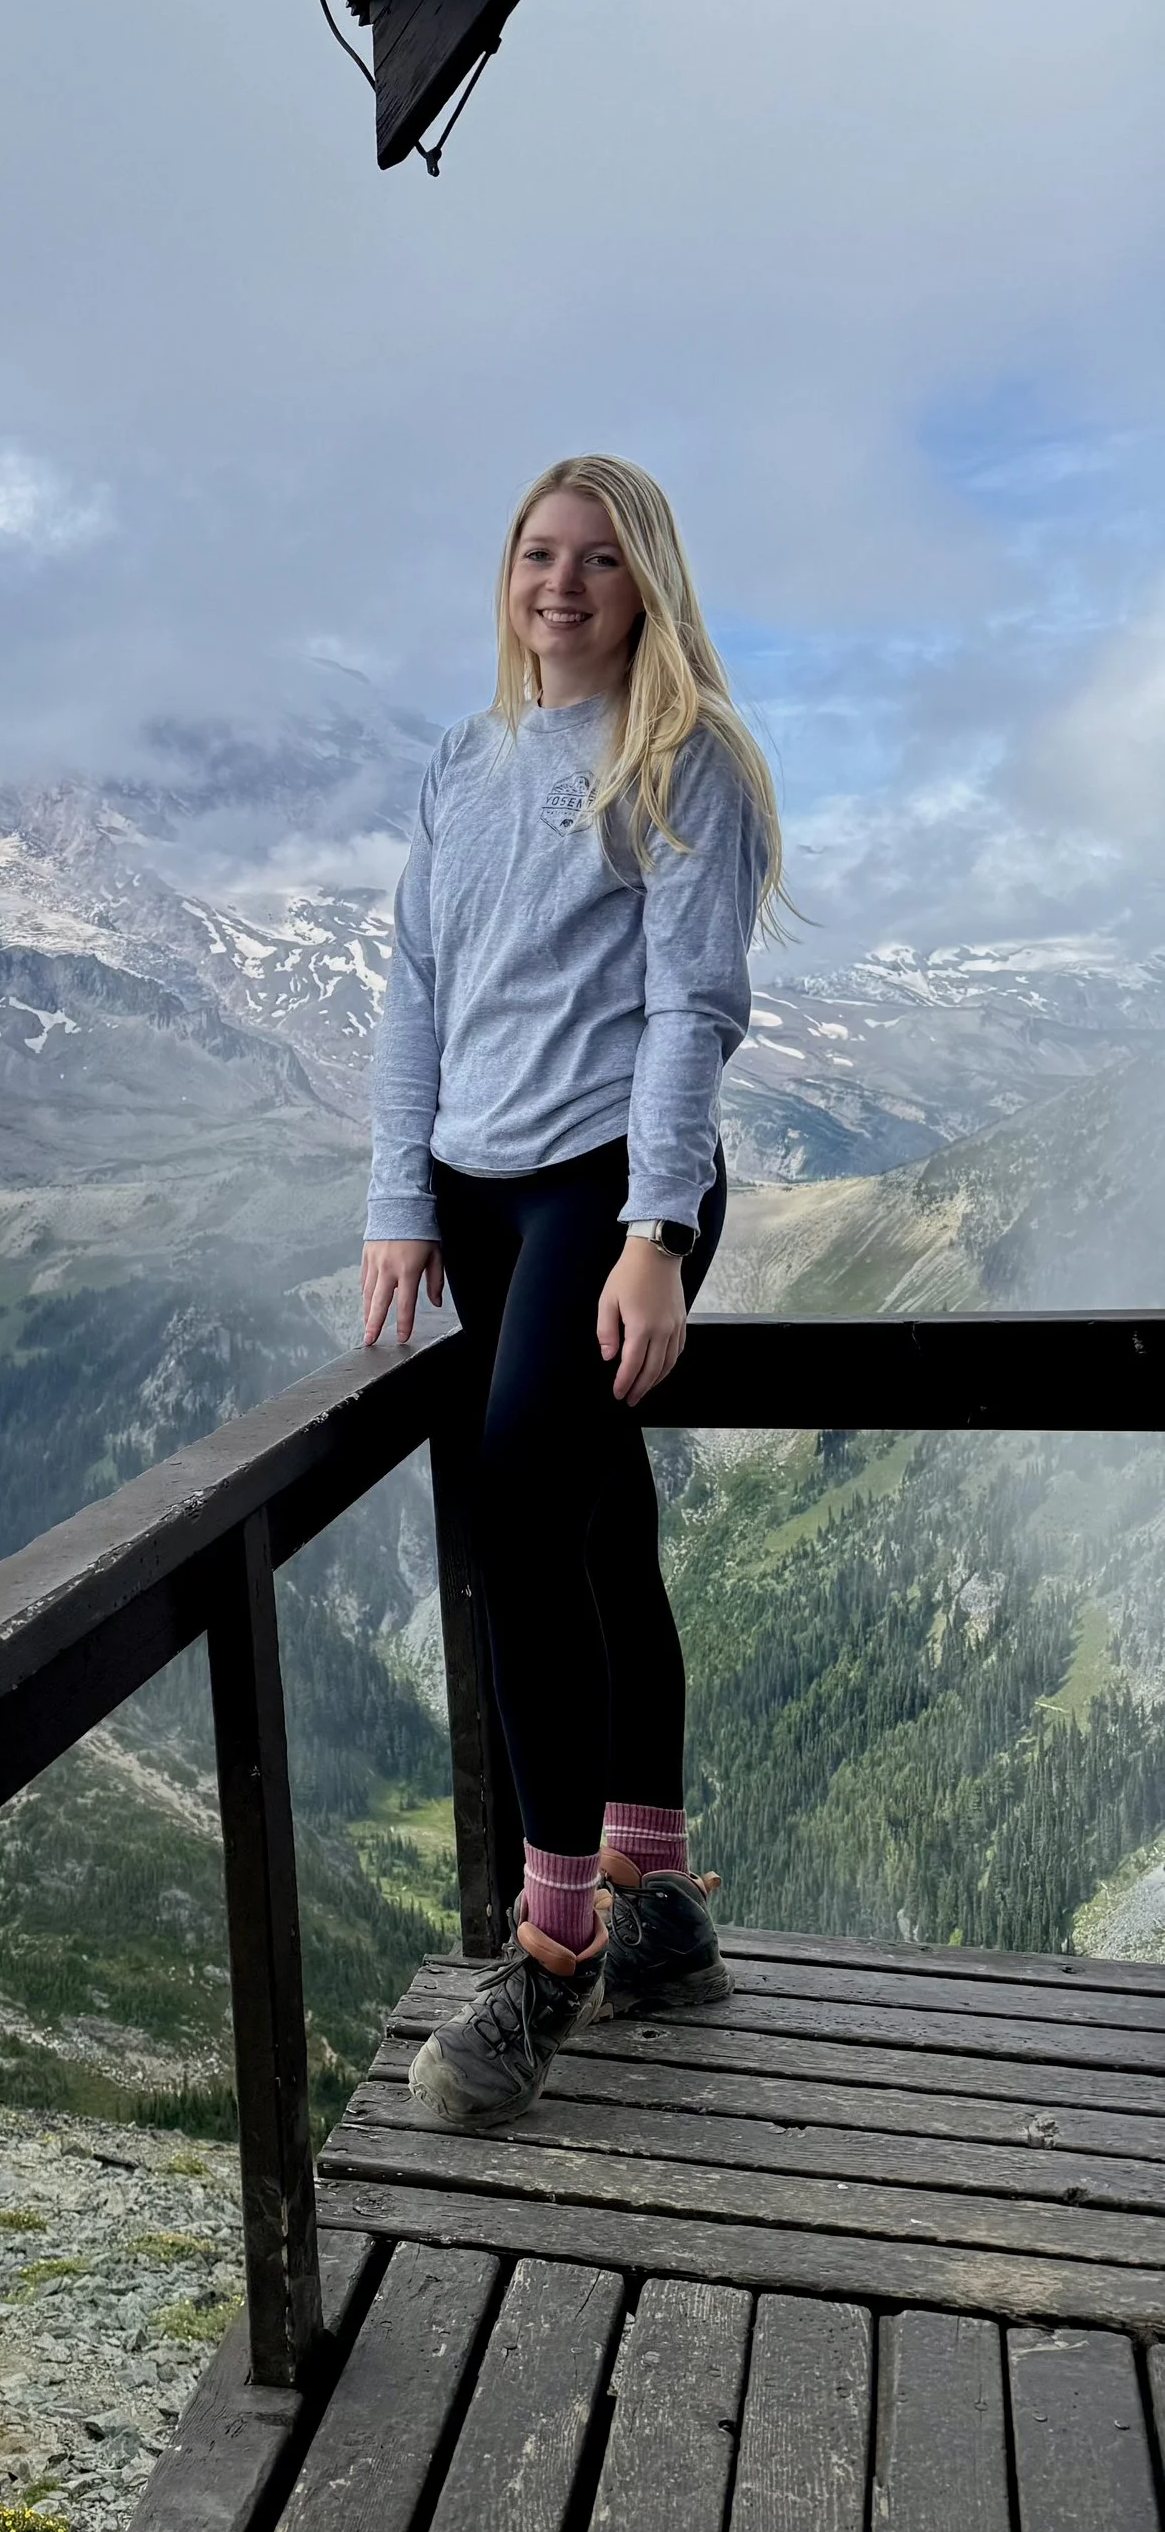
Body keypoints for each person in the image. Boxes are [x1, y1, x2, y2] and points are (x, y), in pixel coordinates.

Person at [362, 453, 786, 2129]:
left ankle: (550, 1954)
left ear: (647, 582)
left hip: (609, 1187)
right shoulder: (462, 764)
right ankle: (663, 1906)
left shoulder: (685, 759)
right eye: (538, 554)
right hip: (476, 1188)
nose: (561, 584)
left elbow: (694, 1009)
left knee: (523, 1518)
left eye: (598, 560)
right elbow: (411, 992)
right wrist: (400, 1202)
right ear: (508, 576)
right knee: (603, 1528)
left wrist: (659, 1235)